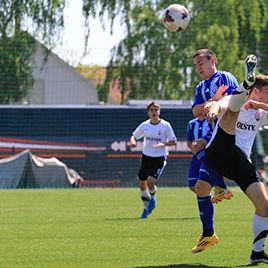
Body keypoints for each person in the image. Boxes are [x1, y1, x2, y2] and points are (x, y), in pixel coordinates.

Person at [193, 55, 268, 264]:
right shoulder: (233, 100)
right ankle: (246, 81)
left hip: (238, 162)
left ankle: (257, 253)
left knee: (265, 206)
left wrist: (260, 106)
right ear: (256, 90)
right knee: (233, 112)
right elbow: (221, 105)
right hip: (219, 151)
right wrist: (213, 108)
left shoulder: (259, 114)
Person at [192, 48, 238, 202]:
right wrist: (213, 100)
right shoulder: (200, 87)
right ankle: (220, 187)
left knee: (198, 145)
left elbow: (232, 100)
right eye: (195, 66)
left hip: (230, 130)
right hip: (215, 134)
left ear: (213, 60)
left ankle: (220, 184)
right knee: (200, 188)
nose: (198, 68)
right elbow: (196, 111)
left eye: (200, 63)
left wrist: (213, 103)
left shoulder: (224, 77)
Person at [130, 101, 177, 219]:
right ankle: (146, 208)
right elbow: (134, 136)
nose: (154, 112)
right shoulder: (145, 125)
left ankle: (153, 198)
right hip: (146, 157)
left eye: (156, 110)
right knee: (142, 183)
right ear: (148, 113)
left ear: (159, 112)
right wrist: (133, 142)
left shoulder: (165, 126)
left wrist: (163, 144)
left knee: (150, 182)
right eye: (151, 110)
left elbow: (174, 141)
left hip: (160, 158)